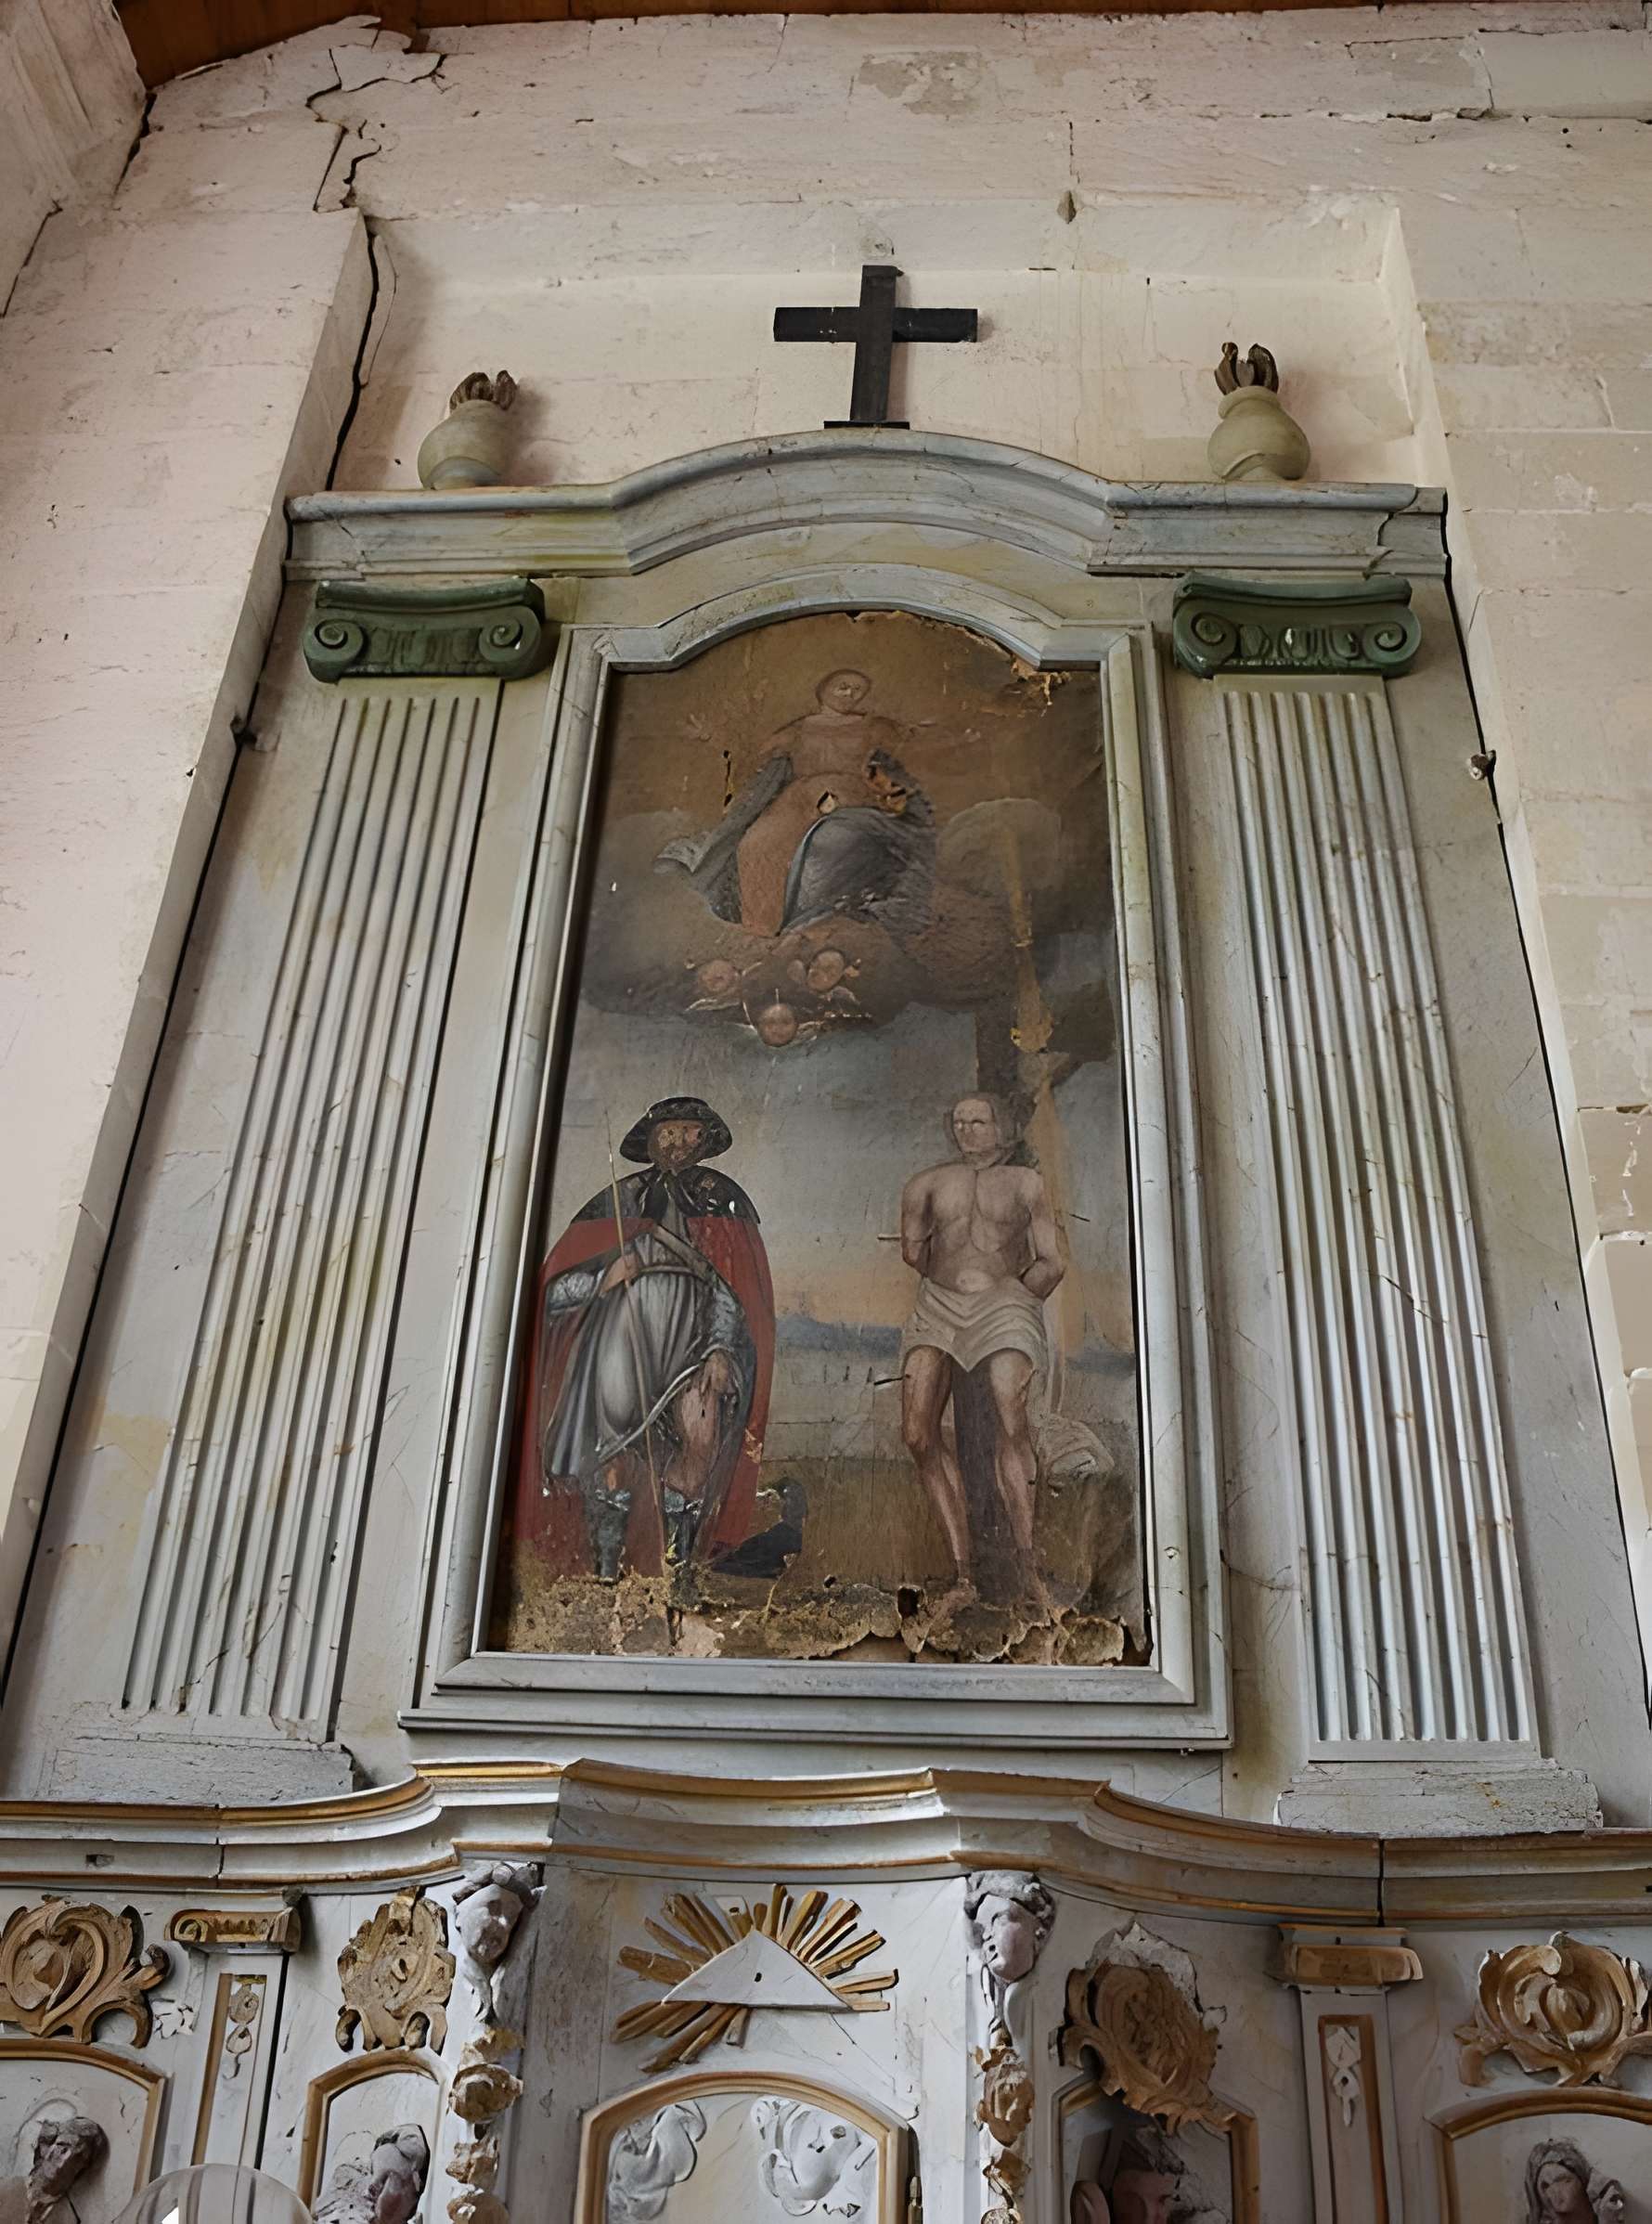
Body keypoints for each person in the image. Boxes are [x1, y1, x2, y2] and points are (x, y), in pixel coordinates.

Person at [519, 1098, 773, 1579]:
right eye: (667, 1132)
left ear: (705, 1139)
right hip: (621, 1343)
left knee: (699, 1446)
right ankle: (608, 1573)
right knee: (611, 1457)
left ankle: (678, 1572)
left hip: (693, 1348)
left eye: (687, 1131)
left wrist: (721, 1348)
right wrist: (603, 1278)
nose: (676, 1142)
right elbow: (553, 1292)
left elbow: (733, 1293)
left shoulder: (722, 1200)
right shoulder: (617, 1203)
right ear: (650, 1140)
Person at [899, 1094, 1065, 1614]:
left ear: (1001, 1125)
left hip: (1005, 1304)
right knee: (918, 1432)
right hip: (939, 1308)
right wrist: (955, 1284)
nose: (968, 1129)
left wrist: (1011, 1296)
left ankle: (1028, 1567)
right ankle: (963, 1573)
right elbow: (914, 1253)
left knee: (1008, 1413)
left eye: (979, 1120)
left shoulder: (1026, 1183)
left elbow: (1052, 1261)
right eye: (959, 1121)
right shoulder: (926, 1183)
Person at [655, 668, 935, 939]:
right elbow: (754, 753)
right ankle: (761, 927)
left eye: (858, 690)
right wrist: (711, 738)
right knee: (757, 844)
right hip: (799, 796)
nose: (850, 694)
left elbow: (911, 740)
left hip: (851, 792)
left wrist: (947, 736)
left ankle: (799, 924)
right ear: (823, 689)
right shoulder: (800, 729)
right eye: (843, 686)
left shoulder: (872, 725)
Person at [0, 2116, 106, 2224]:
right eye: (63, 2147)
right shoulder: (6, 2189)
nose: (66, 2158)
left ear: (81, 2168)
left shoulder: (69, 2219)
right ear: (47, 2148)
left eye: (78, 2157)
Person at [1523, 2140, 1624, 2222]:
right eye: (1546, 2186)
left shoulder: (1600, 2198)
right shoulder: (1545, 2217)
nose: (1556, 2190)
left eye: (1564, 2180)